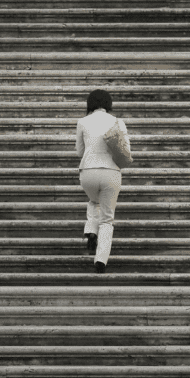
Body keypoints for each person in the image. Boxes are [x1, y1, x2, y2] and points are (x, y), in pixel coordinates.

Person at [75, 89, 130, 274]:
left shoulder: (82, 122)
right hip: (110, 172)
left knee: (93, 201)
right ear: (109, 104)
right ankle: (101, 260)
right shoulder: (117, 122)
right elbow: (126, 150)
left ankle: (91, 228)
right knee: (107, 219)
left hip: (88, 172)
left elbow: (79, 152)